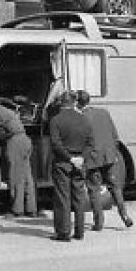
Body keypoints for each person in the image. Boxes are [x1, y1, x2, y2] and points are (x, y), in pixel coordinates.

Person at [76, 90, 133, 230]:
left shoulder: (81, 118)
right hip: (108, 157)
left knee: (94, 190)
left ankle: (99, 223)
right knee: (115, 187)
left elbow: (82, 141)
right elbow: (114, 135)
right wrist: (113, 153)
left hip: (92, 159)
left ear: (78, 103)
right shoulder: (104, 112)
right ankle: (125, 216)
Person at [49, 90, 94, 242]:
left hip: (63, 163)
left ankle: (63, 232)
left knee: (63, 198)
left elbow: (56, 144)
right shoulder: (85, 120)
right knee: (79, 197)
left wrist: (69, 158)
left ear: (61, 102)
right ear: (74, 102)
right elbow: (90, 143)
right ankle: (80, 232)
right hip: (80, 163)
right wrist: (81, 158)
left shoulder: (55, 120)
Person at [0, 101, 37, 218]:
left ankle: (17, 209)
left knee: (15, 176)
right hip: (25, 139)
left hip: (15, 141)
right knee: (27, 176)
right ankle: (31, 208)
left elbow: (0, 133)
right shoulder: (7, 112)